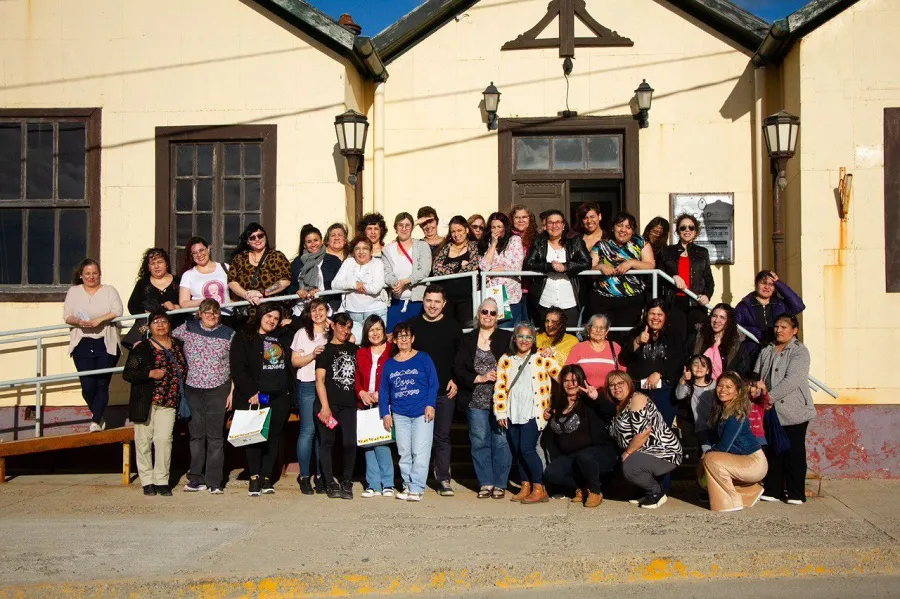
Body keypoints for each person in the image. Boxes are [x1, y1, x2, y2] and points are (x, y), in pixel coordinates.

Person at [229, 305, 294, 496]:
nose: (272, 320)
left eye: (276, 318)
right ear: (260, 316)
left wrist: (289, 321)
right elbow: (238, 368)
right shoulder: (244, 336)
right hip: (255, 395)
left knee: (273, 437)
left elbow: (302, 325)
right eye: (268, 316)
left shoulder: (284, 335)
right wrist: (251, 392)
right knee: (254, 437)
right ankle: (254, 476)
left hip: (279, 394)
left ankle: (267, 477)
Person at [170, 299, 234, 493]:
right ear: (199, 313)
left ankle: (214, 482)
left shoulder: (229, 334)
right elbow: (166, 338)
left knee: (215, 437)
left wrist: (231, 391)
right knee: (196, 436)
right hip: (193, 389)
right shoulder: (187, 328)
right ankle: (196, 478)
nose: (211, 316)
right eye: (207, 312)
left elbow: (236, 364)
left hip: (218, 387)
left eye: (215, 312)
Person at [122, 309, 188, 497]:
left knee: (164, 440)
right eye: (156, 322)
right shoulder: (142, 347)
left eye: (164, 321)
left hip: (169, 400)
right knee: (143, 442)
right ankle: (147, 480)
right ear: (149, 327)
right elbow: (128, 374)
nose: (160, 325)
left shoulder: (178, 345)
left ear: (169, 325)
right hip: (146, 401)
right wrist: (149, 373)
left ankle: (161, 480)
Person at [493, 322, 560, 504]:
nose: (524, 340)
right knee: (517, 450)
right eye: (520, 336)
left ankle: (539, 487)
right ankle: (525, 485)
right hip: (512, 411)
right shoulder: (506, 359)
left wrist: (554, 406)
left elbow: (562, 376)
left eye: (528, 337)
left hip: (534, 411)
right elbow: (500, 388)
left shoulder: (541, 357)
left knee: (527, 448)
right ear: (514, 338)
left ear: (533, 340)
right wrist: (500, 413)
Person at [454, 298, 513, 498]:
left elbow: (518, 360)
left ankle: (500, 483)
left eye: (492, 313)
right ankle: (485, 482)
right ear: (478, 315)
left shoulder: (506, 338)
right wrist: (478, 377)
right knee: (479, 441)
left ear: (498, 317)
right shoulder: (468, 339)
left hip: (500, 400)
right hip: (475, 400)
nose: (488, 316)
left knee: (501, 441)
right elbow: (458, 368)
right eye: (484, 312)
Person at [407, 285, 463, 496]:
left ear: (444, 304)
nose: (432, 305)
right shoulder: (413, 326)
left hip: (443, 392)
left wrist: (456, 379)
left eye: (437, 301)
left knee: (442, 436)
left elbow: (460, 358)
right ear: (423, 301)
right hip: (418, 393)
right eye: (429, 300)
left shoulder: (453, 327)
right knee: (417, 439)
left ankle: (443, 479)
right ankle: (414, 478)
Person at [753, 315, 814, 505]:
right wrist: (758, 390)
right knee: (773, 450)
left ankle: (796, 492)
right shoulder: (767, 349)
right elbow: (757, 373)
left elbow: (792, 380)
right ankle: (773, 489)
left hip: (794, 409)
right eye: (777, 326)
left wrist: (769, 397)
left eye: (784, 327)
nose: (779, 330)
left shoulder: (799, 351)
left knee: (793, 452)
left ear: (794, 330)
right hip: (770, 410)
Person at [543, 364, 619, 508]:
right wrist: (547, 414)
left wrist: (596, 398)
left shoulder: (589, 401)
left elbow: (611, 412)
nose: (570, 384)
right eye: (566, 380)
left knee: (586, 456)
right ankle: (581, 489)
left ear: (581, 381)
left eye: (574, 380)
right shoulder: (558, 404)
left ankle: (596, 491)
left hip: (596, 453)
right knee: (551, 473)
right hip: (571, 456)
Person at [379, 322, 440, 502]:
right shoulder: (389, 364)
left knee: (420, 451)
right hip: (399, 413)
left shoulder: (423, 358)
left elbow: (433, 383)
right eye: (400, 336)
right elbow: (384, 390)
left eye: (407, 336)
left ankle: (417, 487)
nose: (403, 339)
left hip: (422, 412)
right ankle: (407, 484)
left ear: (412, 339)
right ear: (395, 340)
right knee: (404, 451)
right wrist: (385, 413)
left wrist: (430, 404)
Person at [609, 370, 683, 509]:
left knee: (629, 466)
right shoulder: (618, 405)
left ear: (629, 384)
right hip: (644, 451)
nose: (616, 387)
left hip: (664, 452)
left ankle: (656, 493)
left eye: (620, 383)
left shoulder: (637, 399)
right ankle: (647, 492)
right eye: (612, 385)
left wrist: (627, 453)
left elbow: (643, 433)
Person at [64, 259, 123, 432]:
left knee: (102, 384)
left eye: (95, 273)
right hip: (82, 342)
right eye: (87, 273)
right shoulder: (74, 292)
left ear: (100, 274)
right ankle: (99, 414)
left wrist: (100, 320)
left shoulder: (109, 290)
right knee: (87, 386)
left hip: (106, 341)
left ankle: (96, 421)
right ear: (81, 276)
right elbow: (67, 315)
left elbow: (117, 310)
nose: (91, 277)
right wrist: (78, 321)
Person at [701, 372, 768, 512]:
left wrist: (708, 453)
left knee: (712, 459)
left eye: (728, 387)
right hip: (741, 460)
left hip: (754, 462)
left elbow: (724, 446)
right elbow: (712, 438)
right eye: (720, 385)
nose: (723, 390)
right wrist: (705, 451)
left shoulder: (735, 414)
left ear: (737, 392)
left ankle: (730, 502)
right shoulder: (721, 411)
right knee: (705, 461)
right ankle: (750, 491)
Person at [590, 212, 656, 339]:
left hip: (631, 300)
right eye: (620, 225)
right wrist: (600, 267)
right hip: (604, 299)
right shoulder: (601, 245)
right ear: (613, 227)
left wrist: (632, 263)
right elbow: (589, 269)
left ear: (632, 230)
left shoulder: (641, 242)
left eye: (628, 227)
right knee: (604, 336)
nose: (623, 230)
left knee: (626, 337)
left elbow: (650, 265)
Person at [315, 313, 359, 499]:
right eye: (342, 326)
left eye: (348, 327)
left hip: (349, 404)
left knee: (349, 442)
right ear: (333, 326)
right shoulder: (324, 351)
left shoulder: (355, 349)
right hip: (329, 404)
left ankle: (347, 480)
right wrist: (325, 407)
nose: (345, 330)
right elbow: (320, 380)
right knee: (327, 443)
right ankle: (329, 481)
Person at [290, 298, 330, 495]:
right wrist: (313, 355)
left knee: (324, 431)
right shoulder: (302, 333)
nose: (317, 313)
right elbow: (295, 361)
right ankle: (305, 475)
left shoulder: (332, 333)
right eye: (314, 310)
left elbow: (351, 341)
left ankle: (322, 475)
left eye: (321, 309)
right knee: (308, 431)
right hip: (307, 384)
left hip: (328, 387)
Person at [523, 210, 591, 326]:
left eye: (558, 222)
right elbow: (528, 263)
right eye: (550, 223)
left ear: (563, 225)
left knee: (570, 337)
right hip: (545, 299)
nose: (554, 226)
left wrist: (566, 267)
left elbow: (587, 263)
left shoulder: (575, 241)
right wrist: (550, 267)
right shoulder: (539, 241)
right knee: (545, 337)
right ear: (546, 225)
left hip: (570, 300)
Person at [354, 315, 396, 497]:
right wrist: (361, 392)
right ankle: (373, 485)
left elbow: (395, 377)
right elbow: (355, 378)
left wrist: (382, 394)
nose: (375, 333)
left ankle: (387, 483)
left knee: (382, 443)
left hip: (384, 403)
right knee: (368, 444)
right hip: (364, 403)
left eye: (379, 329)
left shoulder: (391, 350)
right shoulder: (361, 352)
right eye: (371, 330)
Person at [625, 299, 684, 428]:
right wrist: (637, 342)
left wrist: (660, 373)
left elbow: (679, 360)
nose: (655, 318)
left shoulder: (674, 335)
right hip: (639, 389)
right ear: (646, 315)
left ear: (665, 317)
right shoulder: (635, 333)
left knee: (662, 429)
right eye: (652, 314)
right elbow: (624, 358)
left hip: (665, 390)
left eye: (660, 314)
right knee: (640, 429)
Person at [659, 214, 714, 338]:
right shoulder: (667, 251)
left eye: (691, 227)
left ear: (696, 231)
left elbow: (709, 280)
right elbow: (659, 276)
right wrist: (673, 276)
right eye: (683, 227)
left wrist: (707, 295)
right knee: (677, 337)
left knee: (695, 339)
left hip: (696, 302)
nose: (687, 230)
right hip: (674, 302)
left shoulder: (702, 252)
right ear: (678, 231)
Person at [227, 223, 291, 325]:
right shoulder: (239, 258)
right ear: (247, 241)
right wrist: (247, 295)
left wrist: (262, 293)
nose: (257, 239)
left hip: (273, 314)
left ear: (265, 236)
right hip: (248, 315)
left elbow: (285, 281)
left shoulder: (277, 256)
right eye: (252, 237)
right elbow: (232, 282)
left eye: (260, 236)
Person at [735, 270, 805, 357]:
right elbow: (735, 328)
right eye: (763, 283)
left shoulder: (780, 304)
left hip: (778, 352)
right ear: (756, 284)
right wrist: (753, 331)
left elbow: (799, 306)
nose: (767, 287)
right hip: (752, 354)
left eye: (771, 284)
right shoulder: (744, 306)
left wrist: (779, 284)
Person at [331, 236, 389, 341]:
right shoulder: (348, 263)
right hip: (353, 314)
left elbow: (375, 287)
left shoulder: (377, 263)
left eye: (365, 248)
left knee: (376, 343)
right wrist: (354, 285)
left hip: (375, 312)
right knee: (355, 344)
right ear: (353, 252)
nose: (361, 252)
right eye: (357, 249)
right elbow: (335, 284)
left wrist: (358, 286)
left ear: (371, 251)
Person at [382, 212, 432, 331]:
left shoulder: (422, 246)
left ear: (412, 227)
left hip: (417, 300)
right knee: (392, 335)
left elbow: (425, 270)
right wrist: (394, 283)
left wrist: (406, 281)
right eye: (400, 225)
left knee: (416, 335)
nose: (404, 229)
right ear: (395, 227)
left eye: (407, 225)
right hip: (396, 301)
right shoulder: (388, 250)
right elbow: (386, 272)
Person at [432, 215, 481, 325]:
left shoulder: (474, 246)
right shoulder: (446, 247)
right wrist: (459, 264)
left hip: (467, 300)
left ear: (467, 230)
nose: (456, 234)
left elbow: (473, 265)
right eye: (453, 231)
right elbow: (436, 269)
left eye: (459, 230)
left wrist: (448, 268)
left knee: (466, 333)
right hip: (446, 300)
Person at [288, 224, 344, 318]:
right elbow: (290, 286)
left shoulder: (334, 261)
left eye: (316, 240)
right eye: (309, 242)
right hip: (302, 311)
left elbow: (338, 287)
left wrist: (322, 293)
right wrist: (298, 291)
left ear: (321, 241)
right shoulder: (297, 262)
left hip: (327, 311)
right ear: (304, 245)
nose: (313, 244)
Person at [479, 212, 525, 324]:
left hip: (510, 295)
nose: (496, 230)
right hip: (492, 296)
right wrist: (493, 244)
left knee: (506, 331)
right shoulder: (488, 243)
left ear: (505, 227)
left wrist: (496, 270)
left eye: (499, 227)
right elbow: (484, 266)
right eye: (493, 227)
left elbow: (516, 266)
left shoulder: (514, 240)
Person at [127, 248, 183, 338]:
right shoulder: (143, 283)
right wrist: (148, 311)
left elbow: (188, 303)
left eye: (160, 262)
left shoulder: (179, 281)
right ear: (148, 267)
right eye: (153, 263)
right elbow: (132, 306)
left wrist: (177, 307)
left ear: (166, 264)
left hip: (176, 330)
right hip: (150, 332)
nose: (156, 266)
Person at [564, 314, 625, 389]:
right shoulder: (578, 348)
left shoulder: (615, 347)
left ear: (606, 331)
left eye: (602, 328)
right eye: (595, 327)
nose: (598, 330)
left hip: (609, 394)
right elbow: (568, 372)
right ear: (589, 329)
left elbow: (623, 374)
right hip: (584, 394)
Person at [691, 303, 750, 379]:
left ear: (729, 321)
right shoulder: (699, 337)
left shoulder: (736, 344)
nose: (716, 320)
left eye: (722, 317)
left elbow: (742, 370)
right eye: (714, 316)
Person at [178, 237, 231, 320]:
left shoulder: (225, 268)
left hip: (225, 317)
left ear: (208, 249)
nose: (199, 255)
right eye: (194, 253)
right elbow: (183, 303)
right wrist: (204, 301)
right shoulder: (188, 275)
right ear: (191, 256)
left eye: (201, 250)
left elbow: (235, 291)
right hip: (200, 320)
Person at [675, 354, 716, 455]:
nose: (699, 368)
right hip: (696, 427)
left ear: (708, 370)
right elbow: (679, 396)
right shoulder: (688, 386)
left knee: (709, 453)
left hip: (712, 427)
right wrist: (683, 380)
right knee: (697, 454)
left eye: (703, 365)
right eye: (695, 365)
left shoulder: (714, 385)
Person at [509, 205, 538, 321]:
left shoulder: (537, 238)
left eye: (524, 217)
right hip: (511, 288)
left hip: (531, 288)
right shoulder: (507, 237)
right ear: (512, 220)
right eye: (517, 217)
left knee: (530, 326)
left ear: (529, 219)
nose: (521, 220)